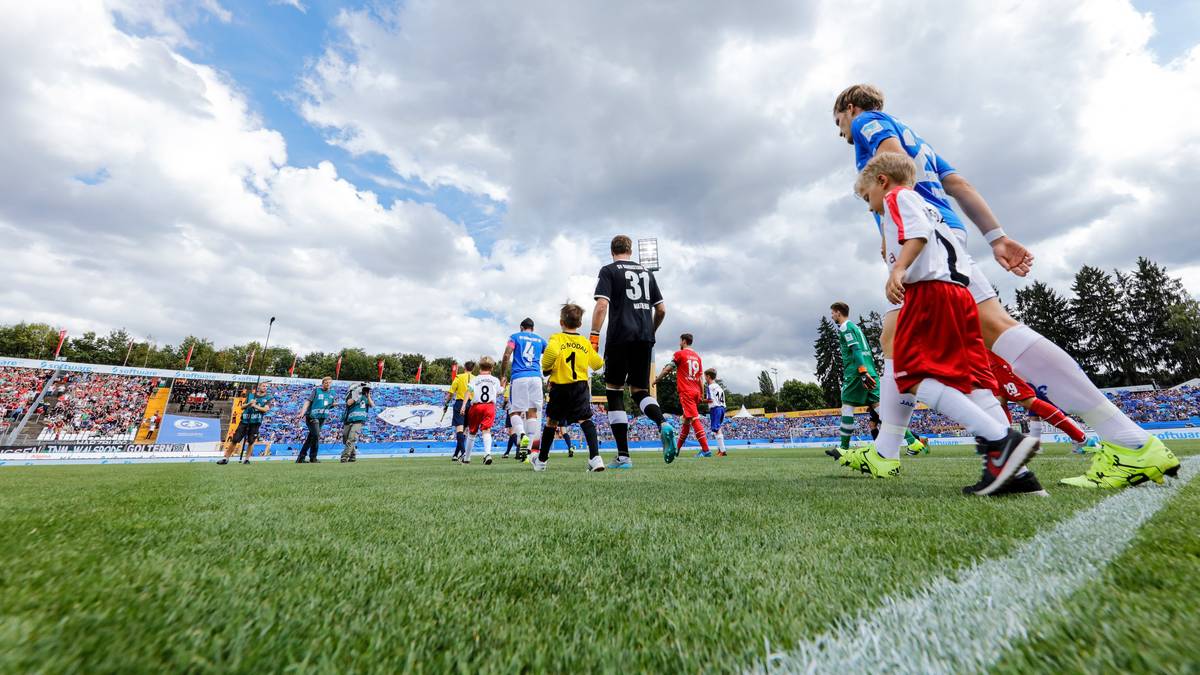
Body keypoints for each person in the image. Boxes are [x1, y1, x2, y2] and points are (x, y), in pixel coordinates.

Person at [833, 83, 1178, 489]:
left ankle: (1121, 442)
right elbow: (960, 185)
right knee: (923, 336)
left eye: (838, 122)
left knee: (955, 340)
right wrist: (996, 235)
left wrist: (900, 224)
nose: (841, 132)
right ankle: (924, 453)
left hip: (927, 238)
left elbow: (893, 160)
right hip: (946, 231)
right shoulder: (920, 140)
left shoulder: (872, 124)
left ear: (850, 108)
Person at [851, 152, 1041, 494]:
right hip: (961, 296)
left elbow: (918, 233)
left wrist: (898, 269)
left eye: (867, 198)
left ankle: (1001, 441)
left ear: (882, 181)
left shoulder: (898, 196)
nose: (869, 207)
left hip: (930, 294)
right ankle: (1014, 473)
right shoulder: (932, 207)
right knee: (974, 382)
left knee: (910, 375)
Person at [590, 235, 675, 469]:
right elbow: (662, 309)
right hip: (644, 337)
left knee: (614, 391)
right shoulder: (648, 274)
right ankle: (662, 423)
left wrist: (595, 335)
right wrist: (652, 330)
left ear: (612, 251)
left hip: (620, 337)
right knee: (640, 391)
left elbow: (602, 305)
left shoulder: (609, 270)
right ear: (630, 250)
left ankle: (624, 456)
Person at [825, 303, 926, 460]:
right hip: (869, 371)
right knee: (882, 412)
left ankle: (844, 448)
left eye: (832, 313)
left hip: (857, 374)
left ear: (839, 313)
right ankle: (912, 441)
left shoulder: (845, 327)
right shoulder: (856, 328)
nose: (831, 316)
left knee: (847, 407)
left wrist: (862, 372)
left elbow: (856, 349)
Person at [535, 303, 606, 472]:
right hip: (580, 386)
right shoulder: (584, 341)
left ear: (561, 322)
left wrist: (546, 368)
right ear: (580, 324)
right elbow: (597, 364)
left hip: (561, 386)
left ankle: (542, 461)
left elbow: (550, 354)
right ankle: (595, 458)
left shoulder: (556, 338)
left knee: (552, 422)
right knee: (586, 420)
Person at [986, 352, 1094, 453]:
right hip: (990, 364)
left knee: (1027, 402)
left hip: (999, 364)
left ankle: (1082, 439)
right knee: (1000, 401)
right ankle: (1005, 444)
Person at [656, 333, 711, 457]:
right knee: (686, 421)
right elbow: (700, 378)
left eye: (680, 341)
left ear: (684, 341)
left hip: (686, 391)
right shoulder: (698, 357)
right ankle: (677, 450)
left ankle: (706, 450)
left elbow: (668, 368)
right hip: (696, 391)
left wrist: (657, 379)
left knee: (694, 419)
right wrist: (701, 394)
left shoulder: (679, 354)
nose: (679, 343)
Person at [500, 318, 548, 461]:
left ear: (522, 327)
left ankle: (521, 434)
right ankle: (528, 452)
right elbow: (551, 355)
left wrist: (502, 374)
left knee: (514, 411)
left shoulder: (514, 337)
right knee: (532, 412)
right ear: (532, 328)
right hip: (536, 377)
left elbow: (507, 354)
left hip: (520, 377)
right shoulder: (540, 340)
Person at [217, 382, 271, 465]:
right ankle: (226, 458)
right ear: (259, 387)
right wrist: (250, 403)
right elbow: (242, 407)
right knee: (235, 439)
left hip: (255, 422)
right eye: (263, 386)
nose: (265, 387)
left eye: (266, 386)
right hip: (245, 420)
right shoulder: (250, 396)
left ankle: (247, 459)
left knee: (251, 441)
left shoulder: (268, 398)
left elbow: (265, 409)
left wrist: (255, 406)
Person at [461, 357, 501, 465]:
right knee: (486, 430)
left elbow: (468, 392)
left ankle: (467, 458)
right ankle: (487, 454)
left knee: (472, 432)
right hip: (489, 406)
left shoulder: (475, 379)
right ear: (492, 368)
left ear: (479, 367)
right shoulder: (495, 380)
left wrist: (464, 405)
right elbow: (499, 391)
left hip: (476, 406)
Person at [297, 376, 335, 463]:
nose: (328, 384)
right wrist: (302, 412)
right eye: (326, 383)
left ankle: (301, 458)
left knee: (311, 437)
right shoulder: (316, 391)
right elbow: (308, 401)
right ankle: (313, 457)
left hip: (322, 418)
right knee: (316, 435)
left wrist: (335, 404)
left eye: (329, 383)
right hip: (312, 416)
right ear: (322, 384)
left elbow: (330, 404)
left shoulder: (332, 393)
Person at [444, 361, 475, 461]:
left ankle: (464, 453)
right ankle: (455, 454)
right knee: (464, 432)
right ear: (473, 369)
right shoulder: (476, 379)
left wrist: (446, 403)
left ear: (464, 367)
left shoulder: (459, 377)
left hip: (460, 403)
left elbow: (451, 393)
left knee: (459, 430)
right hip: (471, 405)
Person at [340, 383, 374, 463]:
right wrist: (357, 394)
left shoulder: (366, 397)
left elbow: (372, 405)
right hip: (349, 420)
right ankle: (353, 456)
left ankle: (344, 457)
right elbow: (349, 403)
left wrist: (368, 395)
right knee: (345, 439)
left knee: (352, 438)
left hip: (359, 421)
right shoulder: (351, 395)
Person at [703, 369, 728, 457]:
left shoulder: (710, 387)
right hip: (722, 408)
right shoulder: (719, 387)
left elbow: (710, 399)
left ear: (708, 376)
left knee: (716, 429)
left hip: (715, 408)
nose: (704, 378)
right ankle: (720, 449)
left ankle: (723, 450)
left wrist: (700, 400)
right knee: (717, 428)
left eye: (705, 376)